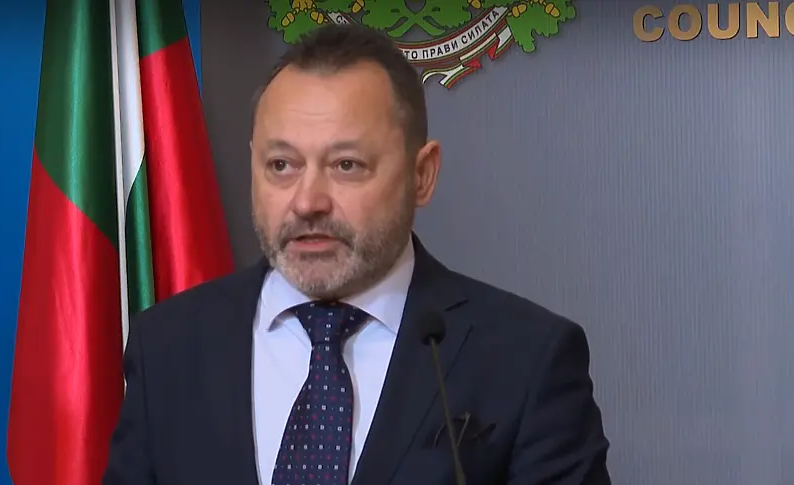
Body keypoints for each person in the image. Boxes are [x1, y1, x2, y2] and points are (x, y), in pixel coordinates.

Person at [102, 22, 610, 485]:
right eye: (281, 165)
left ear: (422, 175)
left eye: (346, 165)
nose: (307, 202)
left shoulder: (526, 359)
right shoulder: (166, 346)